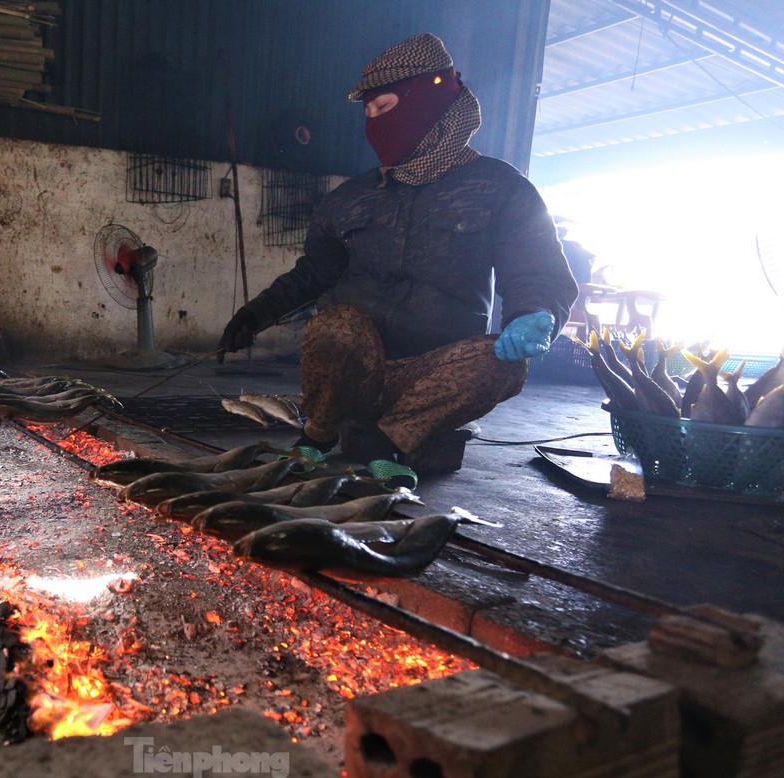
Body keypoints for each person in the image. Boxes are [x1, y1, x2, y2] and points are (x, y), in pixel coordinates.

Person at [217, 33, 579, 469]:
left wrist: (535, 314)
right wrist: (253, 316)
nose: (374, 124)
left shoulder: (501, 189)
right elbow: (315, 273)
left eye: (384, 108)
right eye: (368, 114)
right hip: (357, 372)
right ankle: (318, 433)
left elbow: (537, 270)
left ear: (429, 99)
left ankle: (386, 444)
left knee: (503, 364)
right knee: (336, 323)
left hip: (433, 377)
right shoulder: (352, 197)